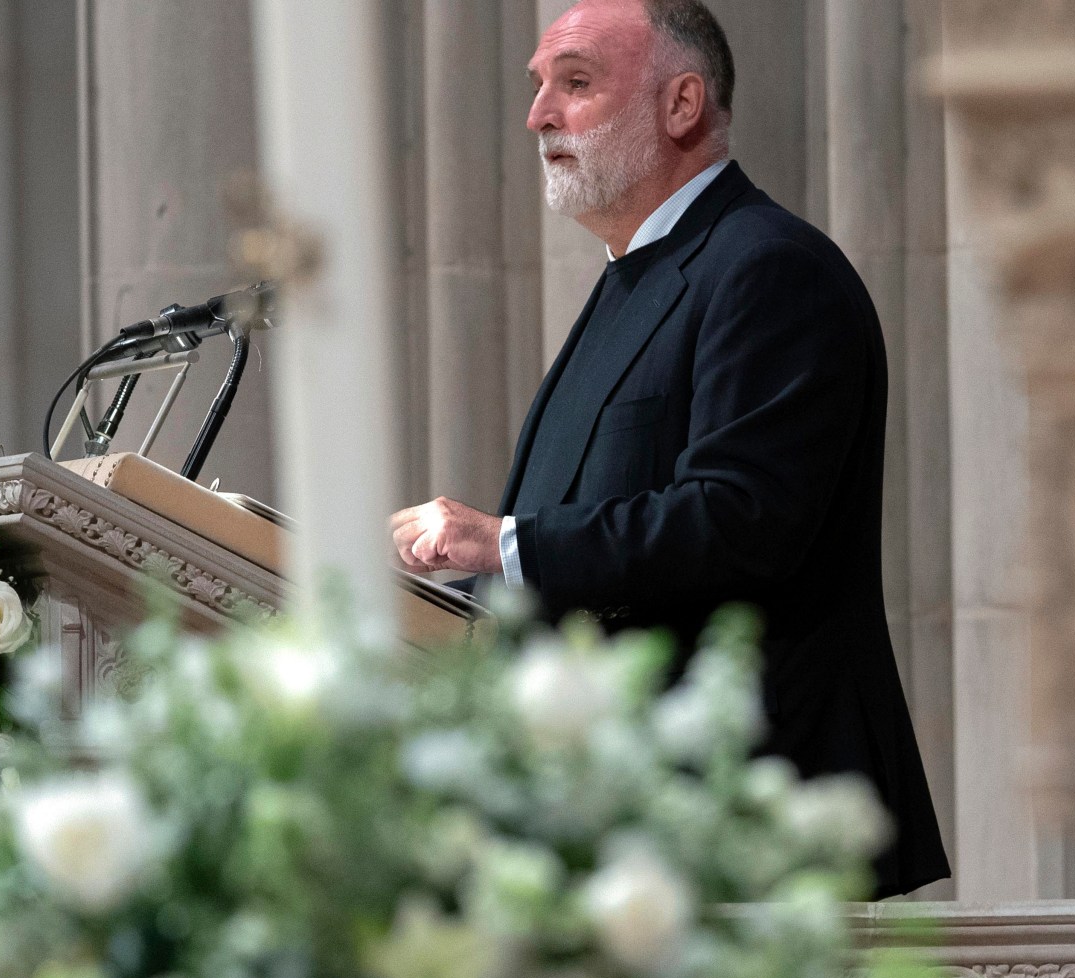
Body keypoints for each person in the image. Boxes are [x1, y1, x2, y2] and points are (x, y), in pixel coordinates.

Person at [388, 0, 947, 898]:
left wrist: (506, 546)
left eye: (575, 84)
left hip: (755, 815)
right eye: (539, 88)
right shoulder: (639, 274)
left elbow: (741, 518)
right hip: (639, 822)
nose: (538, 115)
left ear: (681, 104)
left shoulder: (767, 268)